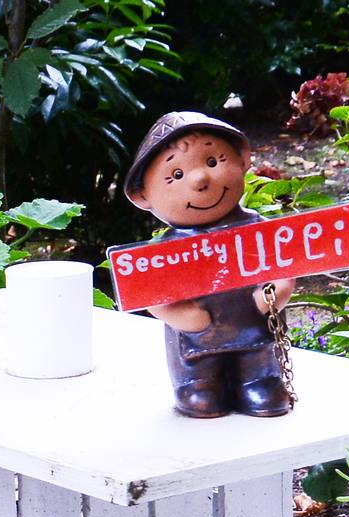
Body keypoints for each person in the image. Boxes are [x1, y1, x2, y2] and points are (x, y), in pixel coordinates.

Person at [121, 111, 295, 418]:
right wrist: (180, 315)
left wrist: (275, 292)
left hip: (254, 326)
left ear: (242, 159)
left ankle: (260, 381)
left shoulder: (259, 231)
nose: (200, 178)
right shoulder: (166, 251)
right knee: (201, 390)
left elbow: (283, 270)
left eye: (213, 161)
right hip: (195, 341)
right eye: (176, 175)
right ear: (143, 195)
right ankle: (197, 385)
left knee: (259, 369)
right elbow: (153, 294)